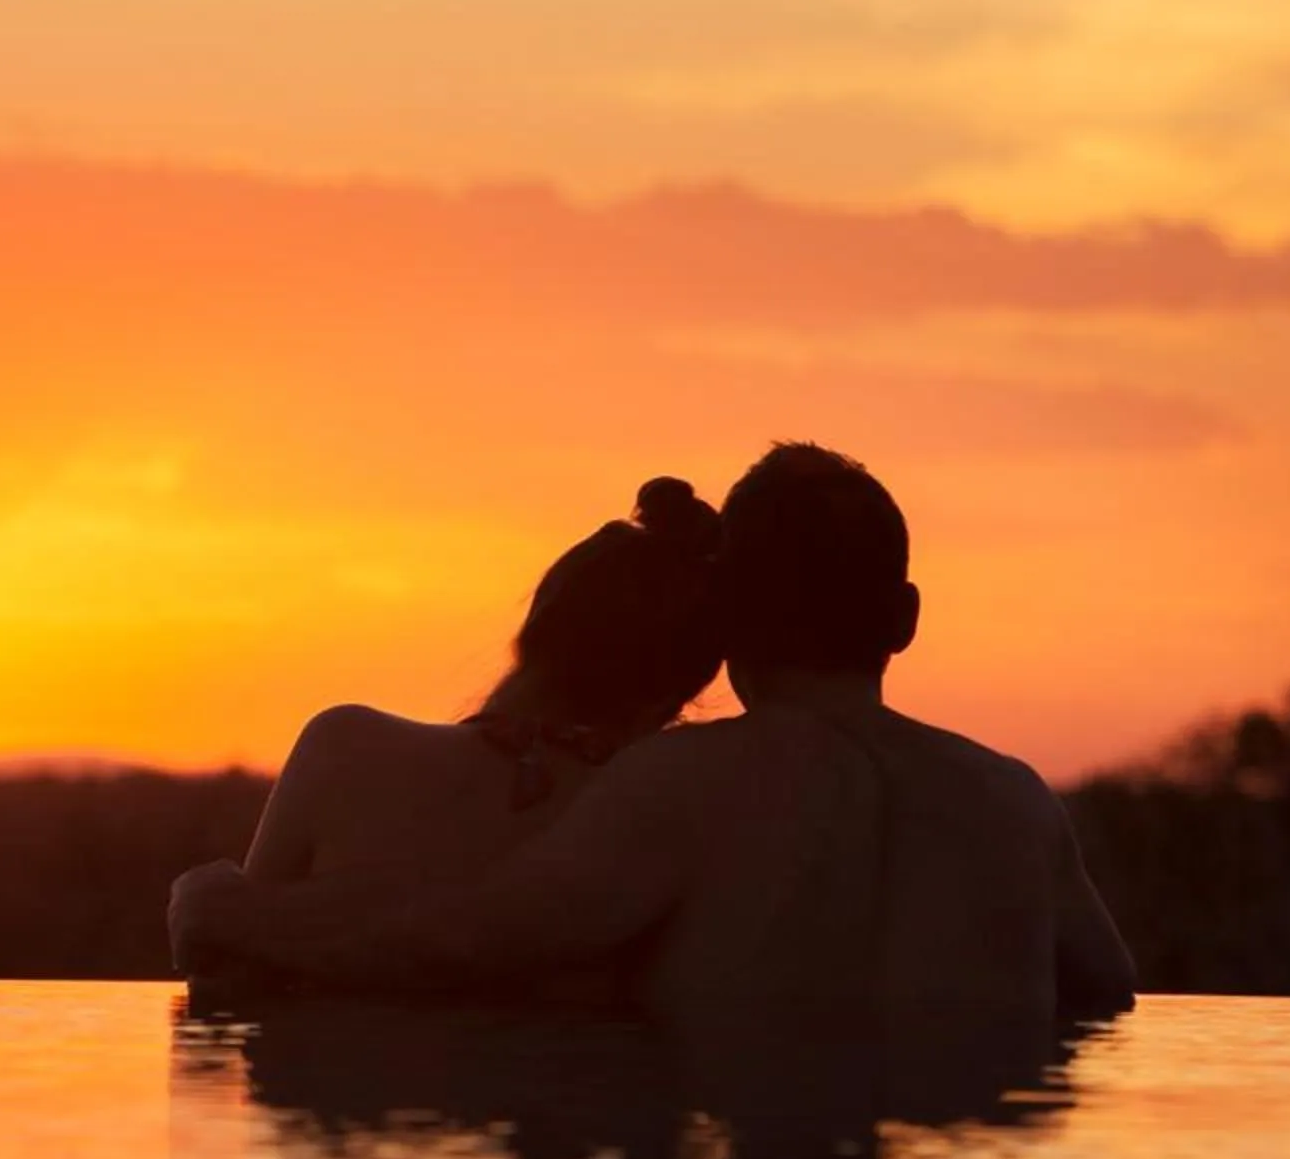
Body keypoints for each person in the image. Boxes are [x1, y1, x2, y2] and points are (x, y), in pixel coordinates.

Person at [172, 443, 1137, 1058]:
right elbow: (1106, 989)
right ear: (906, 618)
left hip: (768, 1153)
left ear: (730, 615)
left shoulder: (685, 783)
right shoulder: (1014, 800)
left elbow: (467, 945)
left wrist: (229, 912)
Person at [239, 476, 724, 907]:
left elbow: (225, 970)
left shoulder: (343, 747)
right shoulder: (661, 830)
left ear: (534, 629)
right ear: (669, 701)